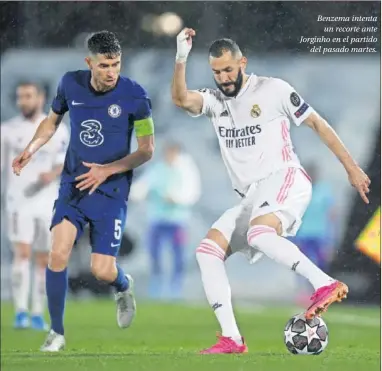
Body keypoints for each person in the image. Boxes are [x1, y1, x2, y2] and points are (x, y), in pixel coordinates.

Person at [171, 28, 371, 354]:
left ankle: (325, 283)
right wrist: (181, 58)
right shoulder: (214, 101)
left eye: (228, 69)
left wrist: (351, 167)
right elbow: (180, 99)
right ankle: (232, 339)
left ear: (242, 63)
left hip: (285, 177)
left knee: (259, 234)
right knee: (208, 252)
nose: (223, 77)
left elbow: (317, 123)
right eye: (216, 72)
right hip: (252, 195)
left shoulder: (273, 90)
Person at [12, 30, 155, 352]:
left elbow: (147, 150)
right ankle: (57, 333)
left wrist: (107, 170)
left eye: (116, 64)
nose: (111, 72)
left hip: (111, 191)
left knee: (101, 269)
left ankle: (122, 285)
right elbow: (51, 121)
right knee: (58, 253)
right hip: (74, 185)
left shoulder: (136, 96)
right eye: (104, 65)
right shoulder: (69, 84)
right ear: (89, 62)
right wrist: (31, 148)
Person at [1, 82, 69, 331]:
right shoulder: (7, 130)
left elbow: (64, 161)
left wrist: (52, 174)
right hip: (18, 201)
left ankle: (38, 313)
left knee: (43, 259)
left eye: (28, 96)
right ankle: (20, 311)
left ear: (40, 98)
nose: (23, 101)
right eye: (20, 96)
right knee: (21, 253)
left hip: (47, 201)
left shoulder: (58, 129)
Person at [130, 142, 201, 300]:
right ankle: (157, 287)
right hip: (157, 219)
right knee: (154, 254)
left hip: (177, 220)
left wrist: (175, 198)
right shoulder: (158, 169)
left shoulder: (185, 170)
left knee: (178, 255)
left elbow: (192, 193)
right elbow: (141, 187)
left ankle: (176, 289)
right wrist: (138, 193)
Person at [291, 163, 338, 304]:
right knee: (301, 264)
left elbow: (332, 214)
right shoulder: (300, 190)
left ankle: (320, 291)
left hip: (320, 235)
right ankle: (304, 293)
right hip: (303, 234)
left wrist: (330, 239)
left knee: (321, 264)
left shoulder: (324, 191)